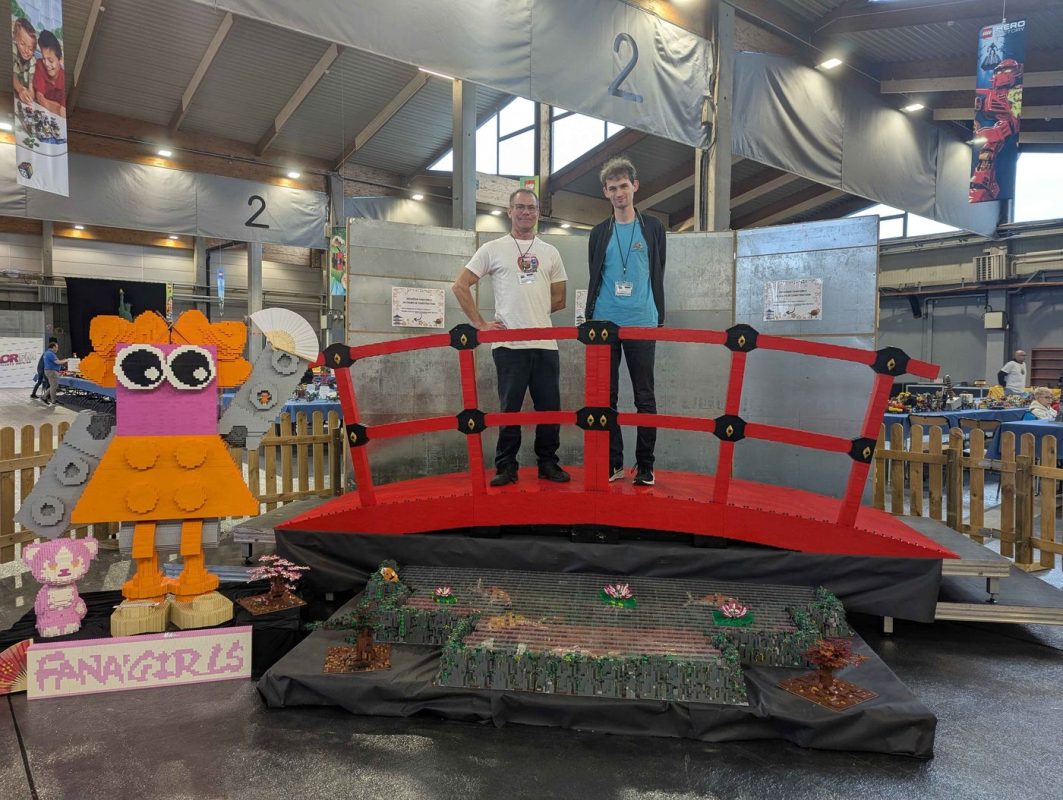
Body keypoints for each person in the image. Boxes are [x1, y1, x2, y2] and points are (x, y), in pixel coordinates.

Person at [452, 189, 569, 486]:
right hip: (508, 345)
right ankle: (506, 466)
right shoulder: (493, 248)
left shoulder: (551, 252)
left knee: (549, 410)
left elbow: (559, 299)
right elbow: (461, 286)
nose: (525, 212)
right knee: (510, 410)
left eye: (531, 208)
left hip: (545, 344)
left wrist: (532, 313)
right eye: (520, 207)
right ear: (509, 211)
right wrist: (480, 324)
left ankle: (548, 463)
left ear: (538, 212)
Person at [586, 157, 666, 487]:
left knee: (644, 396)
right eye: (612, 188)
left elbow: (657, 272)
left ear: (635, 186)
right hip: (606, 324)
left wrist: (658, 313)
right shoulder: (599, 232)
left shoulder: (653, 229)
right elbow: (596, 275)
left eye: (624, 186)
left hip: (642, 321)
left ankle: (645, 465)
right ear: (605, 192)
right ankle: (613, 462)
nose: (619, 193)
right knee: (606, 398)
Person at [32, 29, 65, 118]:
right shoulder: (39, 65)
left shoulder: (65, 80)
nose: (46, 64)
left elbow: (64, 112)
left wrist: (59, 109)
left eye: (50, 60)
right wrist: (57, 107)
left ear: (60, 60)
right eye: (44, 58)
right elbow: (40, 98)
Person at [41, 341, 66, 407]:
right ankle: (53, 400)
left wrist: (62, 361)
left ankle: (45, 397)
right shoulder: (50, 353)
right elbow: (57, 362)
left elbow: (54, 362)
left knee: (53, 386)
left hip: (49, 371)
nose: (57, 349)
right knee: (54, 386)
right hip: (52, 371)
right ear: (53, 347)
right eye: (57, 347)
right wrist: (66, 360)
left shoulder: (46, 353)